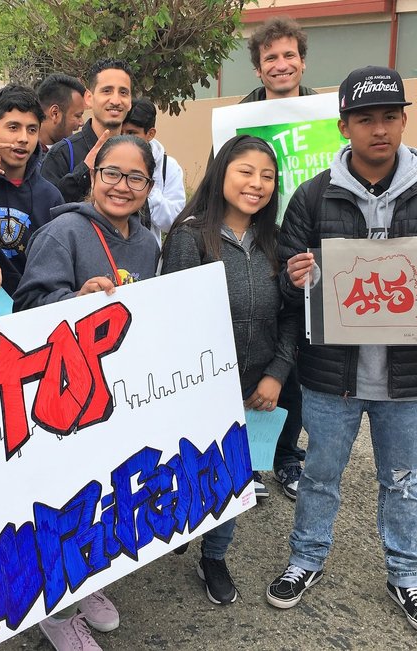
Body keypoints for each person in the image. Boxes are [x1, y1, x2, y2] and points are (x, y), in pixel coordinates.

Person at [266, 65, 417, 636]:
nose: (380, 129)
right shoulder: (312, 195)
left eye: (391, 117)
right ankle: (306, 560)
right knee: (321, 474)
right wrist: (293, 276)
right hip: (330, 376)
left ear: (403, 122)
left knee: (401, 479)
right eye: (366, 118)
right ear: (344, 125)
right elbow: (285, 278)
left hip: (408, 378)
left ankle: (406, 575)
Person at [14, 135, 160, 650]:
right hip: (65, 397)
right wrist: (72, 299)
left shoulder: (148, 243)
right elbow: (26, 308)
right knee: (65, 499)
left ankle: (88, 583)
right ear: (93, 174)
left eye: (135, 177)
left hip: (117, 394)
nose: (122, 187)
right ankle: (56, 613)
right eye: (112, 174)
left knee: (106, 495)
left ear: (149, 184)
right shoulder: (63, 232)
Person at [160, 135, 297, 606]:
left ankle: (213, 557)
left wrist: (277, 372)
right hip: (200, 387)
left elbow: (290, 318)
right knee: (192, 473)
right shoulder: (190, 236)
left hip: (256, 387)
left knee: (237, 477)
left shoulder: (275, 242)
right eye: (245, 171)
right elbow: (174, 317)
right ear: (221, 174)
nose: (256, 184)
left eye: (267, 176)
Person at [219, 15, 315, 501]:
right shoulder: (239, 121)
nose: (281, 65)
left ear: (302, 61)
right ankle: (250, 456)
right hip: (257, 239)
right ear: (258, 69)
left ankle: (289, 457)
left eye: (288, 56)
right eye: (270, 58)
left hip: (308, 244)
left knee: (296, 355)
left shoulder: (326, 117)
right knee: (253, 346)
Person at [0, 84, 64, 294]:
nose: (23, 138)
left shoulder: (50, 197)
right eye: (13, 127)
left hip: (33, 309)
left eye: (31, 129)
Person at [41, 58, 132, 203]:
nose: (115, 100)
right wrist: (84, 170)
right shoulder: (62, 154)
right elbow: (47, 211)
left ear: (130, 101)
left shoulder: (135, 154)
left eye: (123, 92)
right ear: (89, 98)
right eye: (107, 91)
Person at [122, 97, 186, 245]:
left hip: (149, 256)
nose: (125, 139)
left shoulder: (168, 167)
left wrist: (146, 186)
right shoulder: (108, 162)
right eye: (121, 132)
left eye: (132, 133)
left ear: (150, 134)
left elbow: (174, 222)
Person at [37, 72, 87, 156]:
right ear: (55, 113)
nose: (82, 122)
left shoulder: (75, 153)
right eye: (78, 116)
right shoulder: (25, 160)